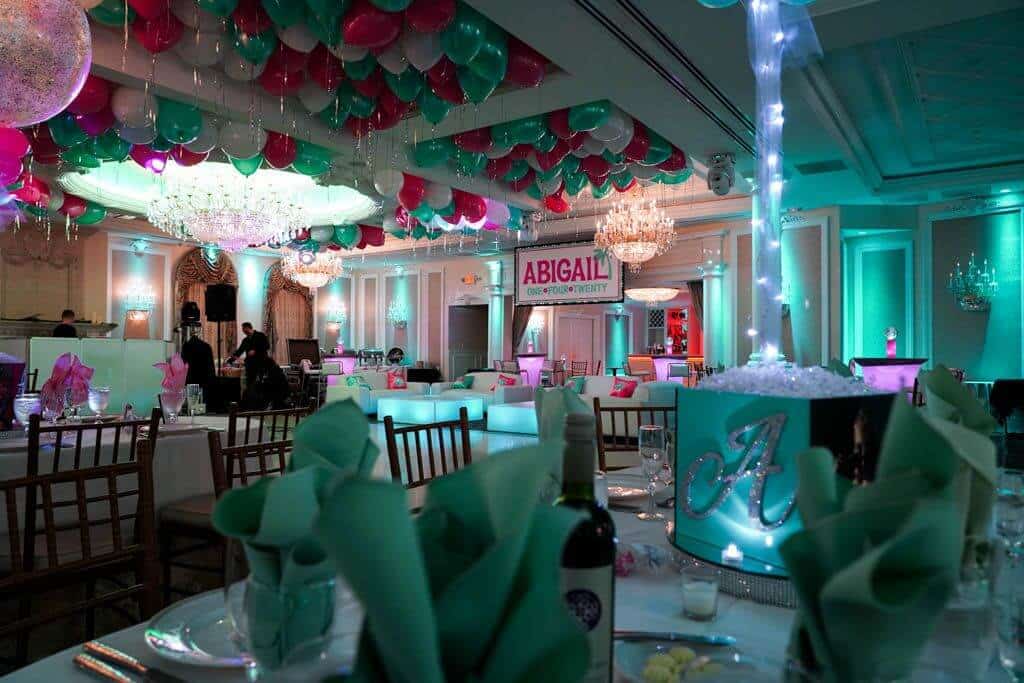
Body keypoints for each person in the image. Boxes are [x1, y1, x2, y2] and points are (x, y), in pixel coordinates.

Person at [240, 346, 291, 410]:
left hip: (277, 396)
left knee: (252, 392)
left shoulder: (273, 367)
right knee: (248, 392)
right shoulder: (262, 367)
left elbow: (275, 386)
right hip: (268, 392)